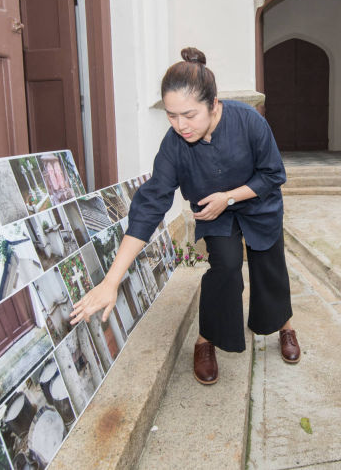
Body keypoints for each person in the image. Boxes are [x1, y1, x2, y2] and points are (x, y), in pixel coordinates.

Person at [69, 47, 300, 386]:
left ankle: (284, 325)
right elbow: (150, 205)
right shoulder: (174, 146)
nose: (181, 126)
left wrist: (229, 197)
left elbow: (273, 174)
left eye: (189, 115)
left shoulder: (249, 121)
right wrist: (111, 281)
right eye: (172, 116)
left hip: (257, 203)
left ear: (214, 104)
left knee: (270, 265)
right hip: (214, 214)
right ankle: (206, 339)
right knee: (225, 267)